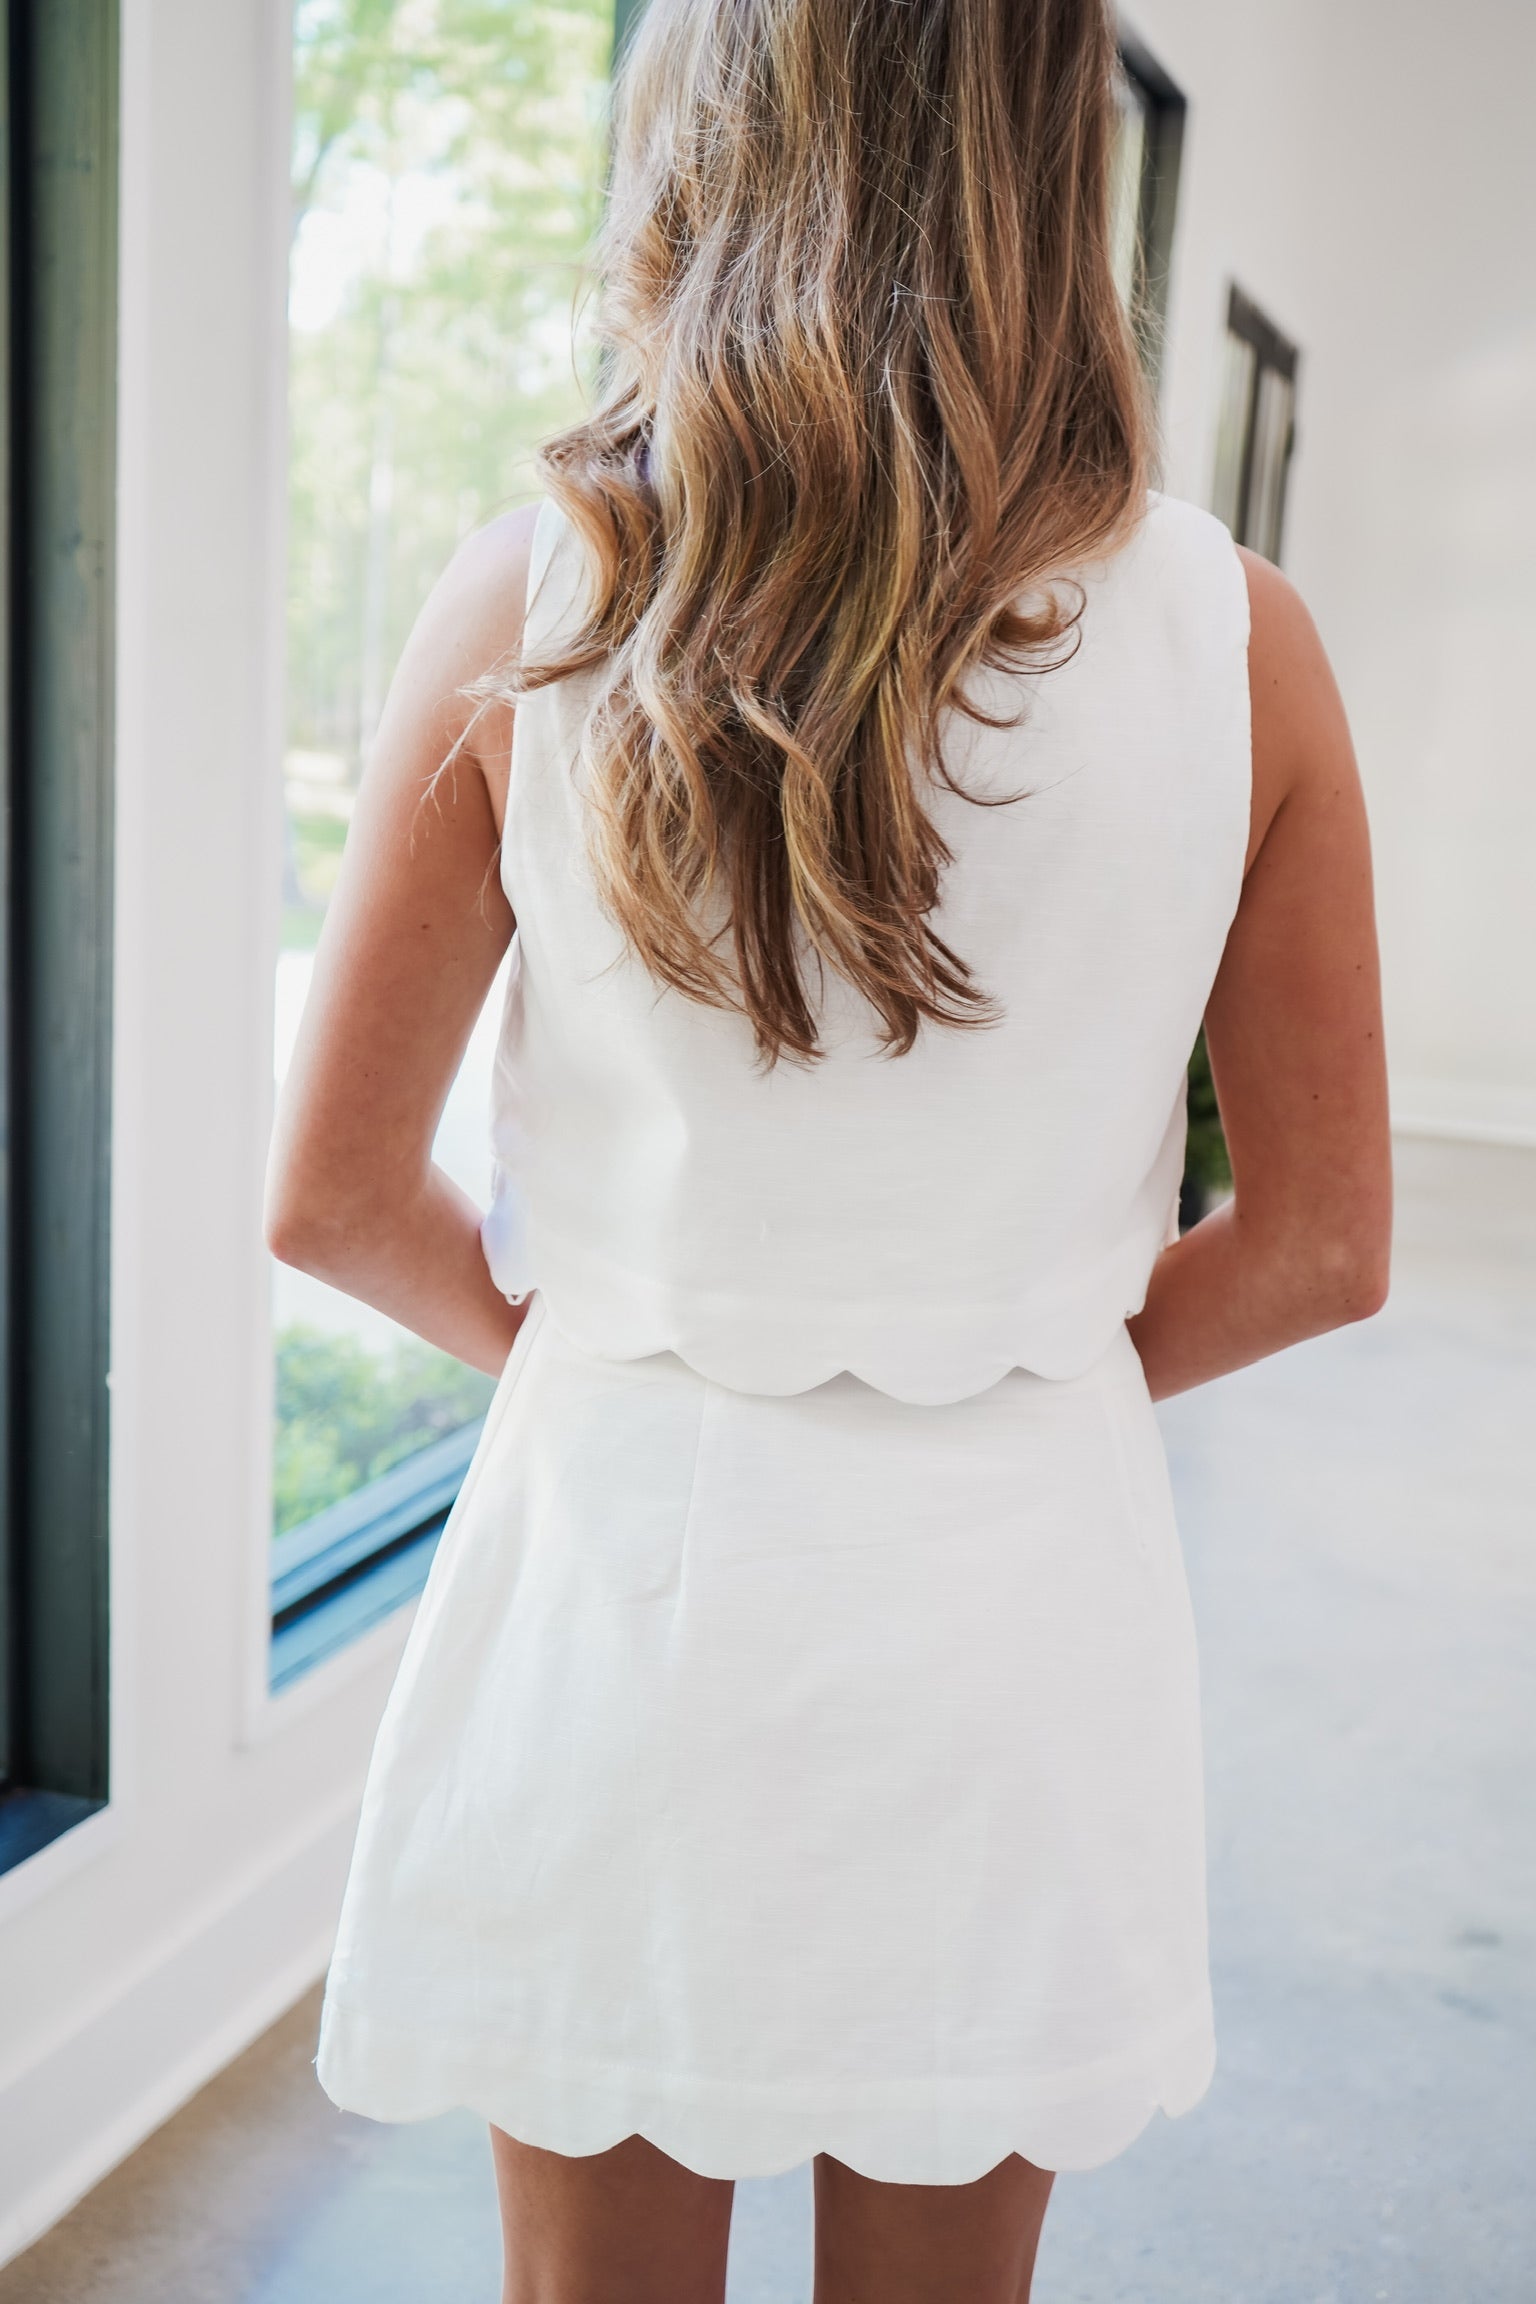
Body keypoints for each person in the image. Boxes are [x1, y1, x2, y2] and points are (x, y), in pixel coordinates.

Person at [264, 0, 1392, 2294]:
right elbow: (1325, 1245)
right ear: (1054, 154)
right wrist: (1021, 1357)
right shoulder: (1242, 644)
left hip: (619, 1582)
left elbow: (336, 1200)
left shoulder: (536, 597)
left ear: (708, 121)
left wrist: (620, 1349)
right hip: (1019, 1608)